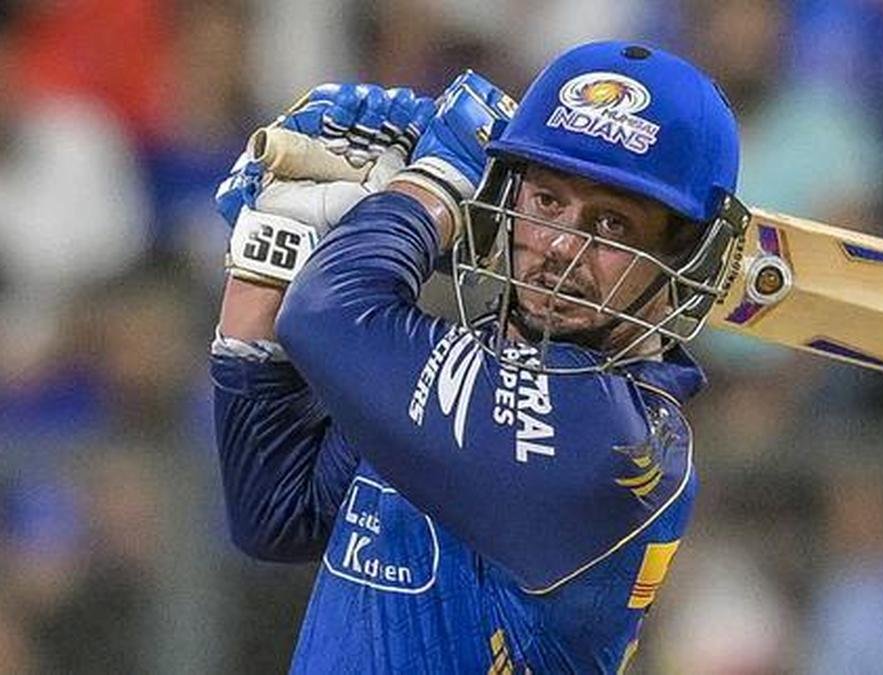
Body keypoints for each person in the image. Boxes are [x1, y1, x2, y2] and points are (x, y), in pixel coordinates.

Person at [211, 40, 744, 672]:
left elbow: (326, 314)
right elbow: (277, 513)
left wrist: (429, 186)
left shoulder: (611, 442)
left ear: (688, 257)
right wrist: (267, 255)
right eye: (547, 202)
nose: (561, 247)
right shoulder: (473, 369)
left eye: (611, 225)